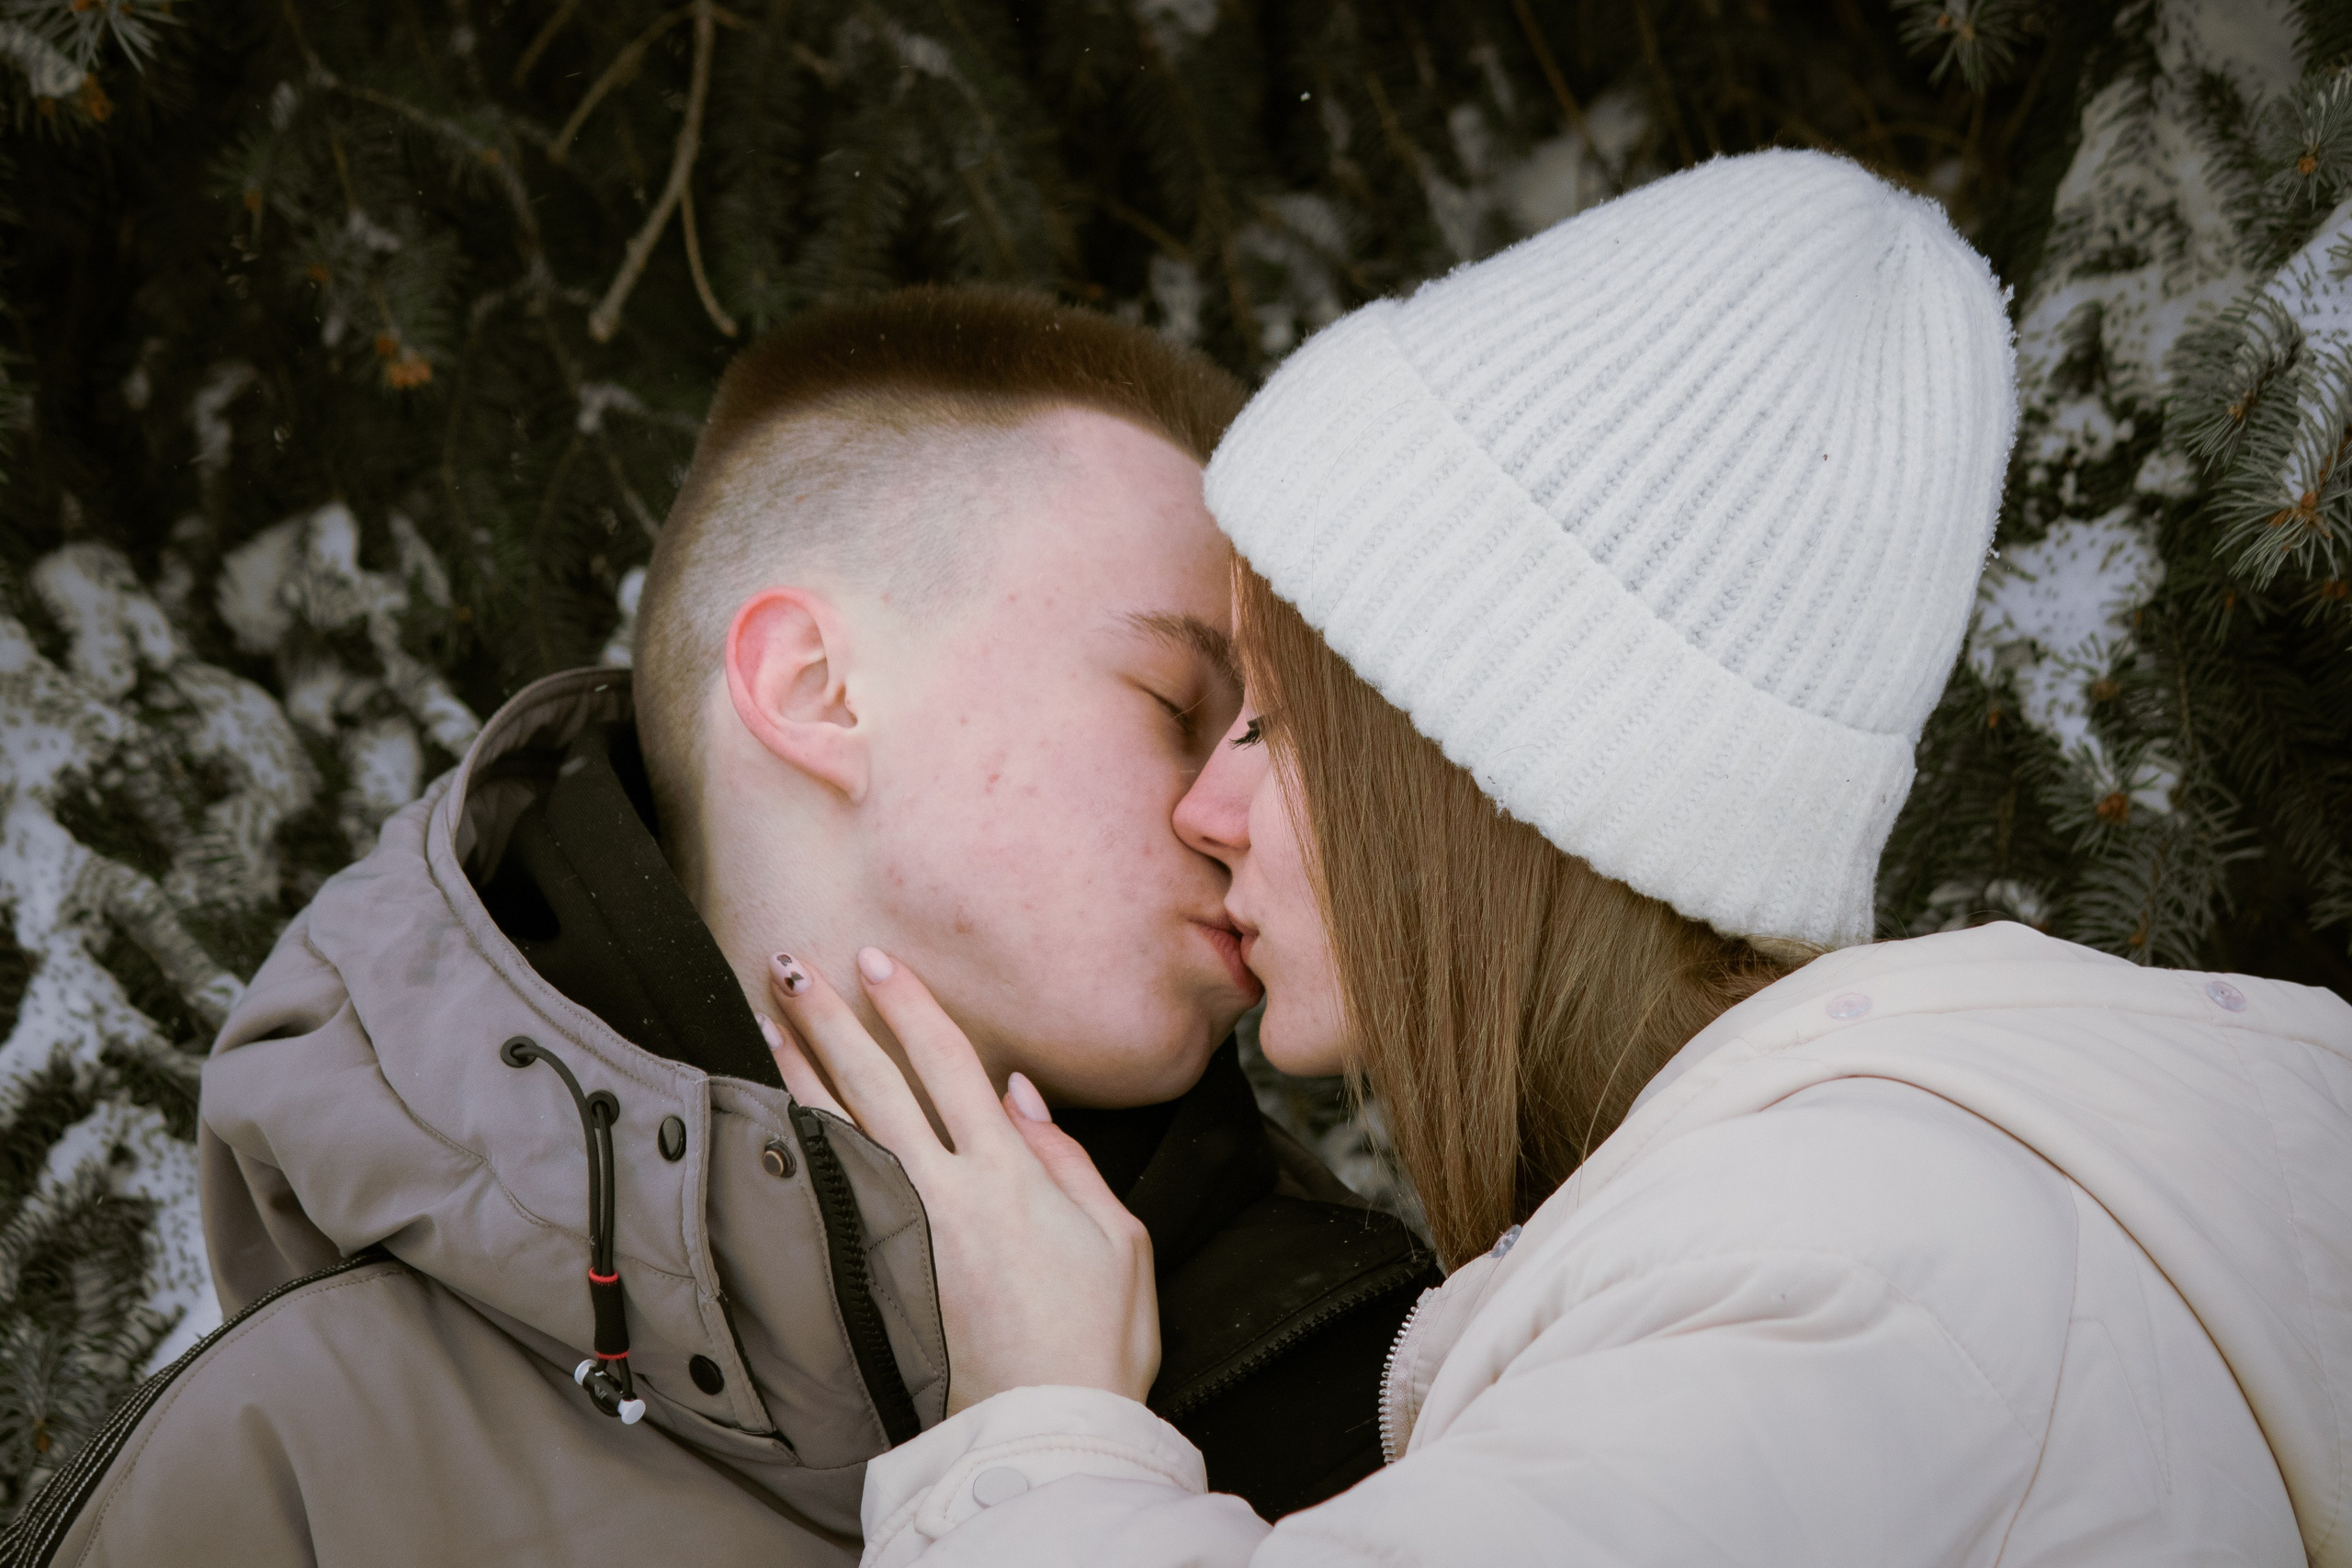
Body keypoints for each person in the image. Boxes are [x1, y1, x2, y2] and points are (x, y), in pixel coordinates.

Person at [757, 152, 2352, 1566]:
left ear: (1479, 782)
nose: (1207, 808)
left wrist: (1039, 1426)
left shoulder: (1842, 1273)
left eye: (1275, 728)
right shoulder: (1866, 1233)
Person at [10, 289, 1433, 1566]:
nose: (1235, 804)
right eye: (1174, 708)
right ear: (814, 689)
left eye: (1264, 734)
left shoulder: (1407, 1381)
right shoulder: (299, 1457)